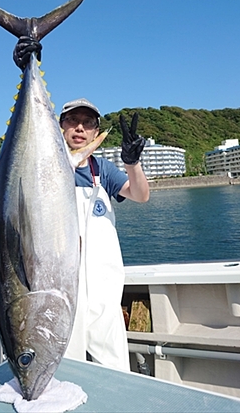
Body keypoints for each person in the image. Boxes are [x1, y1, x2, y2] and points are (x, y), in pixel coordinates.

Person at [13, 37, 150, 372]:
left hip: (104, 289)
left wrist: (132, 162)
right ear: (58, 126)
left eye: (87, 123)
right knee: (63, 364)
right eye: (72, 120)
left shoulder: (101, 169)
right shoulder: (41, 168)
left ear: (95, 131)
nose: (80, 127)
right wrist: (25, 66)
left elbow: (141, 195)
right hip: (60, 286)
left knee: (115, 367)